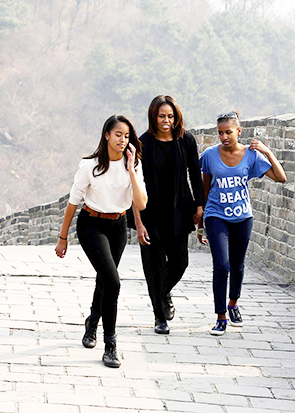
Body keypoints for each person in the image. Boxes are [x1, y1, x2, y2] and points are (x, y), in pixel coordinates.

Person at [55, 115, 147, 368]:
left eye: (127, 136)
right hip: (92, 225)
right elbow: (73, 203)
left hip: (118, 226)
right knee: (113, 281)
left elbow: (141, 203)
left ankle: (93, 321)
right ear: (106, 135)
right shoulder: (89, 166)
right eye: (118, 134)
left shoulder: (134, 164)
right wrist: (63, 238)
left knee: (105, 279)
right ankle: (111, 345)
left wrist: (131, 170)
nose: (122, 140)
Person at [198, 111, 286, 336]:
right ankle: (220, 317)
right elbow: (205, 189)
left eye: (229, 132)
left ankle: (233, 303)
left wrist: (266, 151)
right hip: (216, 215)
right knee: (222, 266)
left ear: (239, 131)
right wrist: (200, 221)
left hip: (242, 217)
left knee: (237, 265)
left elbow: (280, 177)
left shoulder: (251, 155)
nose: (224, 137)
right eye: (220, 133)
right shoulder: (209, 155)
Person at [132, 95, 204, 335]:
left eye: (170, 116)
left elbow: (195, 173)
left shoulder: (186, 141)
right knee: (153, 266)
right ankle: (159, 317)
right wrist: (138, 221)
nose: (166, 120)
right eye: (162, 116)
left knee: (180, 262)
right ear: (153, 116)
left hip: (179, 210)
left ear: (176, 117)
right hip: (150, 212)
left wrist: (199, 206)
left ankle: (163, 293)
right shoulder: (142, 144)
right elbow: (134, 184)